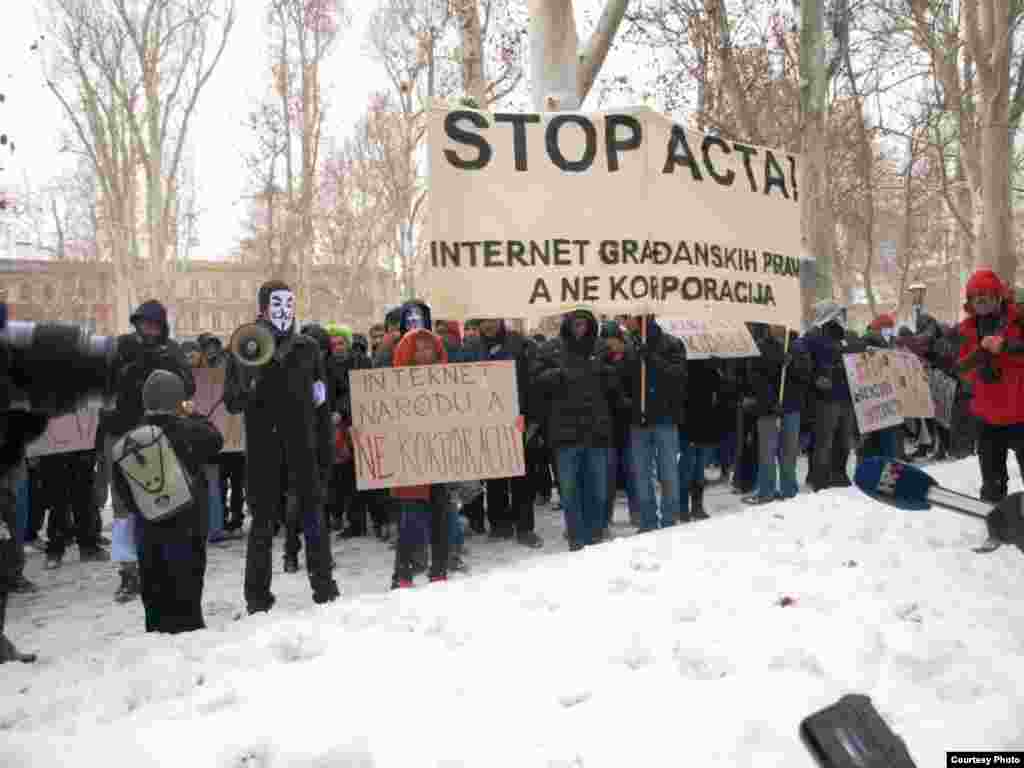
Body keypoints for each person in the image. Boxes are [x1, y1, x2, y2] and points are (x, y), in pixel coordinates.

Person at [224, 280, 339, 614]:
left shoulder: (307, 349)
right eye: (277, 304)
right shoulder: (246, 347)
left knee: (314, 516)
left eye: (289, 304)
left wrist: (324, 451)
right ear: (262, 308)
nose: (284, 311)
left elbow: (320, 404)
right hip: (264, 448)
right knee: (262, 523)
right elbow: (232, 400)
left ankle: (325, 589)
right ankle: (257, 599)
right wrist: (252, 380)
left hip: (302, 446)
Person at [112, 370, 223, 633]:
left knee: (154, 583)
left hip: (148, 526)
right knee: (187, 582)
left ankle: (156, 631)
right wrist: (192, 413)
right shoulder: (188, 429)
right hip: (188, 522)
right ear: (178, 400)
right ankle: (190, 630)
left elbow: (121, 486)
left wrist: (143, 510)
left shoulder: (133, 437)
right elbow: (215, 439)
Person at [104, 300, 195, 602]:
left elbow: (188, 387)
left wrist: (164, 366)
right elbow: (106, 384)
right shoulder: (123, 348)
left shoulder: (171, 351)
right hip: (123, 433)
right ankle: (128, 572)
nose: (148, 329)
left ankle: (160, 567)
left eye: (154, 323)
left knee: (159, 500)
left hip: (157, 438)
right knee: (122, 508)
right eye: (143, 323)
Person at [533, 309, 621, 550]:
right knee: (570, 492)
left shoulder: (601, 348)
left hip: (596, 430)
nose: (580, 329)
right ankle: (576, 538)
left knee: (598, 490)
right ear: (568, 325)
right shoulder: (552, 348)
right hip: (565, 433)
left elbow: (617, 381)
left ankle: (595, 535)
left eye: (584, 324)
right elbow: (537, 378)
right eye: (576, 324)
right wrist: (558, 375)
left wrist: (605, 373)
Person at [462, 317, 544, 548]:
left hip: (518, 419)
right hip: (486, 421)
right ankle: (499, 525)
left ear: (500, 319)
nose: (488, 326)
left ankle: (525, 527)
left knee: (522, 479)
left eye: (491, 320)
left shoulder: (520, 343)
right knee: (494, 478)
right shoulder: (470, 348)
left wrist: (532, 420)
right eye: (483, 321)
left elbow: (532, 382)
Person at [388, 328, 450, 588]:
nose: (425, 353)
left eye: (429, 348)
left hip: (439, 458)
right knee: (410, 522)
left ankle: (439, 570)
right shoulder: (392, 384)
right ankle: (402, 575)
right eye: (419, 348)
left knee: (440, 517)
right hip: (409, 462)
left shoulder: (451, 382)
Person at [956, 269, 1024, 503]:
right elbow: (959, 366)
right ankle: (997, 525)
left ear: (998, 295)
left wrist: (1005, 347)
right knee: (992, 483)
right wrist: (981, 353)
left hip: (1021, 412)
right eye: (975, 296)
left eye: (985, 294)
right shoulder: (965, 329)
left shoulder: (1019, 318)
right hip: (987, 417)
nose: (981, 300)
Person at [623, 316, 687, 531]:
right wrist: (630, 405)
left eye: (629, 317)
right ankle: (648, 520)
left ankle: (669, 519)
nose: (626, 321)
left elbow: (677, 375)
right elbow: (624, 382)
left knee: (668, 471)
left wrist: (650, 358)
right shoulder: (630, 346)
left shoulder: (672, 343)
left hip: (665, 419)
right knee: (641, 474)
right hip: (638, 420)